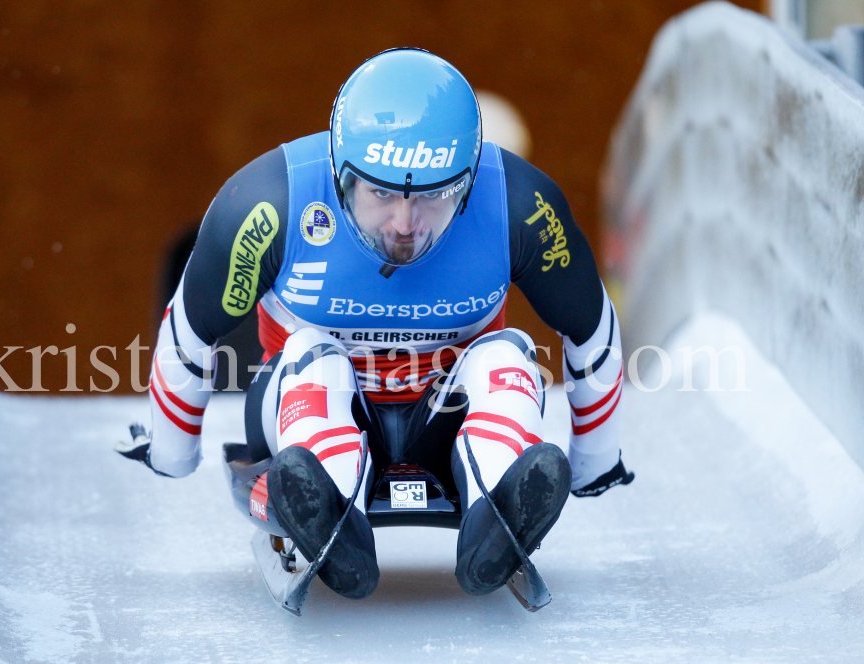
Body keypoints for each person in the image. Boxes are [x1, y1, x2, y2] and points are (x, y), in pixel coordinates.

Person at [118, 48, 633, 601]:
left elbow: (588, 325)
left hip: (444, 418)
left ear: (467, 182)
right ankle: (327, 503)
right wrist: (173, 452)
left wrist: (592, 463)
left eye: (434, 195)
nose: (405, 225)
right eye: (381, 192)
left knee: (508, 354)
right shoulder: (271, 203)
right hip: (302, 407)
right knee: (314, 355)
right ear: (340, 174)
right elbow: (193, 323)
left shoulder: (520, 206)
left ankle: (496, 507)